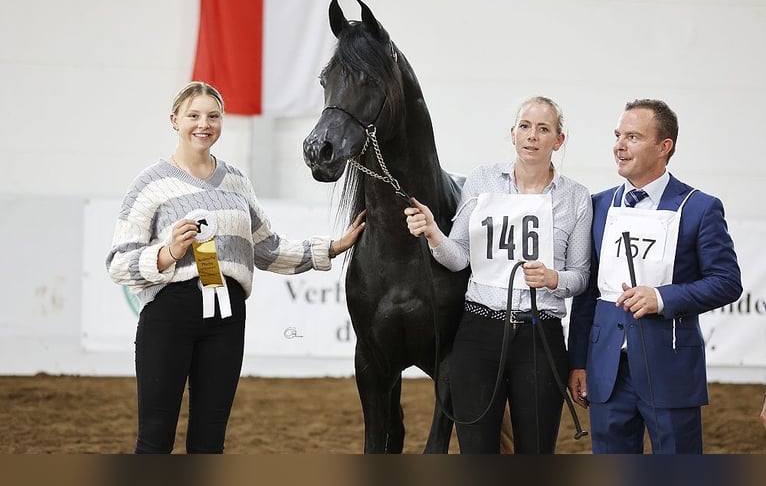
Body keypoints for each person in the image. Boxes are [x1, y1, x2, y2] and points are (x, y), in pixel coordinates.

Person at [106, 81, 365, 454]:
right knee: (155, 436)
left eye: (213, 116)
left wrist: (332, 247)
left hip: (226, 317)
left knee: (210, 439)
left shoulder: (237, 182)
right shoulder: (149, 184)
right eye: (193, 115)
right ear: (174, 120)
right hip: (169, 314)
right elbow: (118, 263)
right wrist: (167, 253)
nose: (203, 124)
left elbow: (267, 248)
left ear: (222, 122)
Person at [404, 96, 592, 453]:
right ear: (513, 133)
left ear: (558, 140)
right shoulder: (482, 180)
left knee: (536, 453)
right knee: (476, 454)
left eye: (543, 129)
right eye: (525, 126)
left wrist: (554, 279)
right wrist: (432, 232)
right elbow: (458, 257)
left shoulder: (577, 198)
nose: (532, 136)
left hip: (540, 335)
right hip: (479, 332)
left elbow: (581, 276)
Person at [567, 98, 742, 454]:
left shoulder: (700, 207)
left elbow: (726, 281)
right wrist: (579, 361)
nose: (619, 145)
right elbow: (588, 292)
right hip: (607, 370)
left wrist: (662, 297)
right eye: (618, 135)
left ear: (665, 147)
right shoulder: (597, 205)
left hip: (670, 367)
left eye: (633, 136)